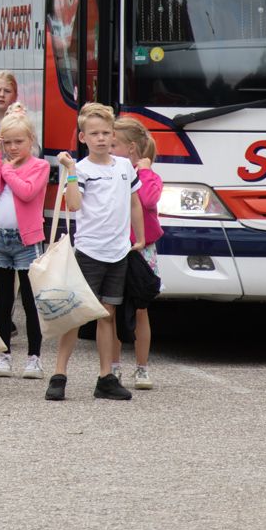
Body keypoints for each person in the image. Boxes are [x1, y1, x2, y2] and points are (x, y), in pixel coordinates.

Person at [48, 102, 136, 403]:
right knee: (75, 314)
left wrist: (141, 237)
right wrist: (71, 170)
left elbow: (134, 203)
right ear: (82, 137)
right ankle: (59, 374)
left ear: (113, 135)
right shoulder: (83, 169)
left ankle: (105, 377)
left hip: (118, 251)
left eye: (106, 133)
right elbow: (74, 205)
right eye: (94, 133)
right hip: (89, 250)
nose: (101, 138)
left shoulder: (124, 167)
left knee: (107, 315)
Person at [0, 108, 49, 379]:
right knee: (3, 299)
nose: (13, 147)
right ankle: (4, 353)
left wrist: (8, 170)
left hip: (27, 239)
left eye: (18, 142)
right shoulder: (2, 161)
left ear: (30, 139)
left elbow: (26, 192)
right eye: (7, 142)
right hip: (0, 237)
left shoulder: (40, 166)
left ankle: (34, 356)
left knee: (29, 299)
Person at [114, 116, 163, 390]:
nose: (109, 149)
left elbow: (146, 200)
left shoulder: (150, 177)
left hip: (142, 248)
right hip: (116, 245)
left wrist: (143, 172)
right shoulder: (111, 170)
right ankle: (114, 366)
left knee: (141, 310)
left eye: (114, 144)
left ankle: (142, 368)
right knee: (112, 310)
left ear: (131, 148)